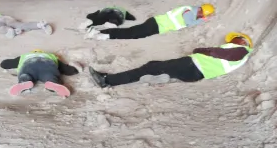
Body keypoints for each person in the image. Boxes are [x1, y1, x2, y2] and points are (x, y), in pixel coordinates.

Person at [89, 32, 252, 87]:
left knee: (149, 68)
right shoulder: (239, 54)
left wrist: (202, 50)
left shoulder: (241, 51)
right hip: (194, 73)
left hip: (192, 66)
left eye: (236, 38)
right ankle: (162, 78)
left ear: (243, 41)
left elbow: (221, 54)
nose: (231, 40)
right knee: (154, 66)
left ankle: (107, 81)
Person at [86, 3, 214, 40]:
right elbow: (189, 23)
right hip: (157, 25)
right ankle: (101, 33)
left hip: (157, 24)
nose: (202, 16)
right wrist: (201, 20)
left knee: (133, 33)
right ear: (202, 12)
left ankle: (103, 34)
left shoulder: (189, 9)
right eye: (203, 15)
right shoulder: (190, 14)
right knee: (132, 33)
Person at [0, 50, 78, 97]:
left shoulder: (25, 56)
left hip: (29, 64)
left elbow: (7, 63)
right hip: (47, 64)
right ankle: (53, 82)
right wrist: (73, 70)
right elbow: (64, 68)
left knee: (25, 75)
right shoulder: (50, 56)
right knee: (50, 75)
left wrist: (3, 64)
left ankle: (24, 81)